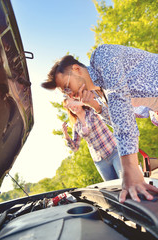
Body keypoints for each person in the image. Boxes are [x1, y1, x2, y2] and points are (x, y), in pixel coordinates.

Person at [41, 44, 158, 203]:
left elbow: (119, 100)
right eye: (65, 93)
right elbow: (118, 121)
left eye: (67, 88)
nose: (70, 95)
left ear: (76, 69)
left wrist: (130, 167)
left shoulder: (101, 57)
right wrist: (94, 106)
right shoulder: (101, 94)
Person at [62, 97, 122, 181]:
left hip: (114, 151)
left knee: (126, 182)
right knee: (113, 189)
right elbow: (75, 148)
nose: (72, 107)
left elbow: (102, 108)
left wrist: (84, 102)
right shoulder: (76, 126)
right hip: (100, 161)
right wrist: (66, 136)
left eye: (73, 103)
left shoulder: (92, 111)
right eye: (69, 106)